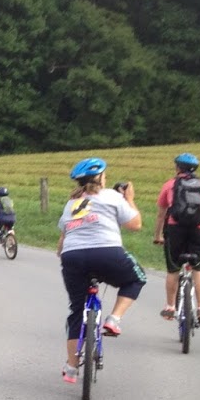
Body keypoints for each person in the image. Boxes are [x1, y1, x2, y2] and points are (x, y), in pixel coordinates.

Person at [57, 157, 145, 384]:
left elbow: (62, 239)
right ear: (100, 178)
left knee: (77, 310)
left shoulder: (71, 203)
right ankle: (113, 319)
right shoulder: (112, 196)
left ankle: (71, 368)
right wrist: (130, 199)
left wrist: (66, 255)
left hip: (72, 256)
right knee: (137, 278)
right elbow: (135, 225)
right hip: (107, 252)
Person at [153, 152, 200, 326]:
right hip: (199, 230)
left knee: (173, 269)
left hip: (175, 230)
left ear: (178, 168)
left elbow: (161, 214)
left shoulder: (169, 185)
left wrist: (158, 236)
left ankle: (170, 307)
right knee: (199, 269)